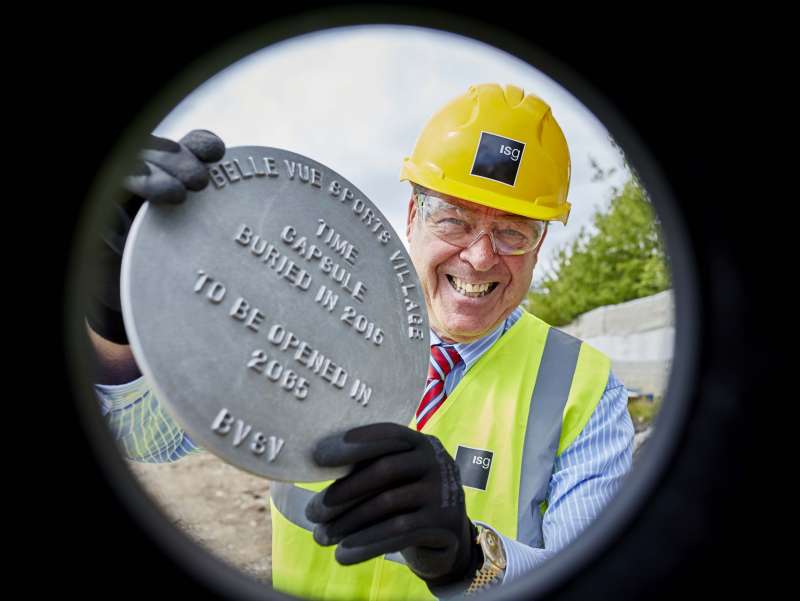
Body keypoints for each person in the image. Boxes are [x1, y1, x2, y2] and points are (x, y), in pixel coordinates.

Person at [87, 83, 634, 600]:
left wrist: (471, 557)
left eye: (514, 232)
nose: (480, 256)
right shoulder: (310, 316)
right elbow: (147, 440)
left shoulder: (583, 388)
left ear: (539, 245)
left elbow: (597, 576)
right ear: (414, 214)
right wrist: (118, 324)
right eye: (454, 220)